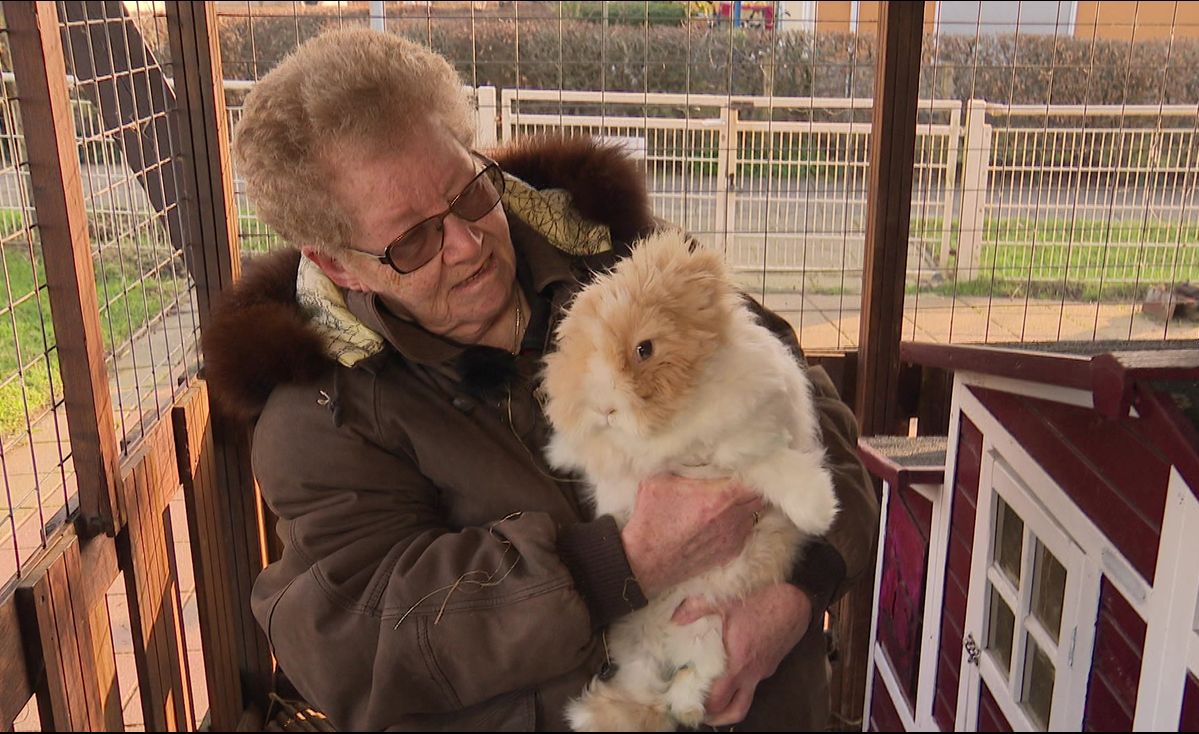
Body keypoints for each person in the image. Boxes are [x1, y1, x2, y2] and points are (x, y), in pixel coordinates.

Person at [204, 27, 879, 732]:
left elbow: (812, 412)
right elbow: (366, 642)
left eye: (468, 192)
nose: (467, 246)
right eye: (412, 240)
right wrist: (617, 563)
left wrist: (796, 593)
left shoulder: (622, 259)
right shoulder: (323, 416)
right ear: (340, 266)